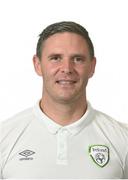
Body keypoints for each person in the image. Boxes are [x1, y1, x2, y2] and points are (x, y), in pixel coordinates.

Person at [0, 21, 128, 179]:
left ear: (92, 66)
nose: (67, 69)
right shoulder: (4, 137)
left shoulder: (123, 140)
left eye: (78, 59)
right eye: (55, 58)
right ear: (37, 64)